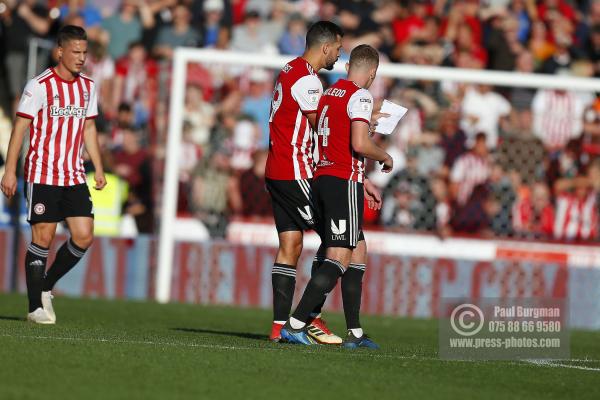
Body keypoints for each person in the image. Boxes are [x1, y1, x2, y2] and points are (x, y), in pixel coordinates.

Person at [280, 44, 393, 349]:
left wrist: (364, 176)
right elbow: (359, 144)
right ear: (373, 73)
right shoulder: (362, 95)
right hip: (343, 181)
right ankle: (296, 323)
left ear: (347, 67)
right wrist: (385, 155)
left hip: (324, 178)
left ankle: (354, 334)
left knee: (357, 250)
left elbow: (341, 134)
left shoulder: (329, 94)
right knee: (339, 256)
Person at [0, 25, 106, 324]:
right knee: (43, 237)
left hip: (73, 175)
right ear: (60, 51)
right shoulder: (40, 85)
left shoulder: (88, 86)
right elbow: (20, 127)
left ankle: (46, 285)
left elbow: (88, 127)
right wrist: (10, 171)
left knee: (84, 237)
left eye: (84, 52)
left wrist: (97, 167)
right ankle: (35, 307)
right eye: (76, 52)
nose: (81, 58)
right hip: (42, 172)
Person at [265, 21, 345, 344]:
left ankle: (278, 328)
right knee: (336, 240)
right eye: (338, 49)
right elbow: (321, 125)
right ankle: (308, 318)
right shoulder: (308, 80)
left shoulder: (290, 68)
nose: (339, 55)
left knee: (290, 246)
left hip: (277, 170)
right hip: (296, 170)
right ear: (325, 47)